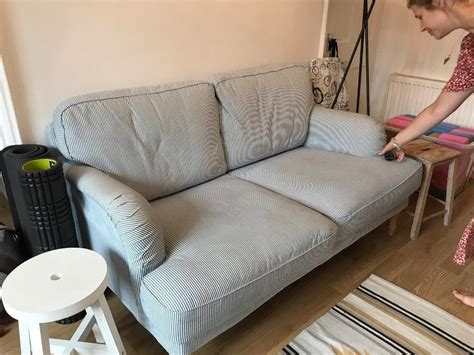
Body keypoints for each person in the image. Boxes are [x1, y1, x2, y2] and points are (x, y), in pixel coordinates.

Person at [379, 0, 474, 307]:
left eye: (420, 16)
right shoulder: (471, 47)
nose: (421, 26)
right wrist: (397, 142)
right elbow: (436, 110)